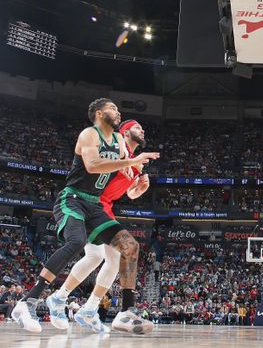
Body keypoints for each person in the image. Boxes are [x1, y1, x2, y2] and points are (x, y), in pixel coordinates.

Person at [11, 98, 159, 334]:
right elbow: (93, 166)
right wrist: (132, 162)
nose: (118, 112)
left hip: (96, 207)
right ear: (99, 113)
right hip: (74, 199)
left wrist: (136, 188)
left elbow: (123, 175)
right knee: (80, 245)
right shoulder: (89, 135)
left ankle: (125, 312)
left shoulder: (120, 142)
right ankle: (29, 302)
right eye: (113, 109)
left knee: (129, 247)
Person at [54, 119, 151, 333]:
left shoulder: (134, 163)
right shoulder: (115, 150)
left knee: (111, 260)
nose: (142, 130)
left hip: (105, 208)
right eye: (137, 127)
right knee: (97, 257)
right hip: (90, 205)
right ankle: (63, 299)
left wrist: (138, 191)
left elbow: (129, 193)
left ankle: (87, 308)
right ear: (124, 133)